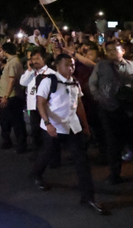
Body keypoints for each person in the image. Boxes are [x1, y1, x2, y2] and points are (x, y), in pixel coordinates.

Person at [32, 54, 109, 215]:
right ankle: (37, 174)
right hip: (54, 127)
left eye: (73, 65)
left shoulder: (74, 82)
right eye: (67, 65)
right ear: (57, 65)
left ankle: (88, 197)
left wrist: (85, 126)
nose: (71, 68)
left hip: (72, 127)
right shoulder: (49, 81)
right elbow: (40, 103)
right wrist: (47, 123)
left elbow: (79, 105)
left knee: (82, 162)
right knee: (47, 154)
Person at [89, 39, 133, 185]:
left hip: (132, 111)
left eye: (115, 49)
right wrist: (101, 99)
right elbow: (92, 85)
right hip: (110, 111)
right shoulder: (101, 66)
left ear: (123, 51)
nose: (112, 52)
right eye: (109, 50)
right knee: (113, 144)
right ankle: (115, 174)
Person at [19, 47, 55, 151]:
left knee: (47, 132)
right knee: (35, 131)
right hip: (33, 106)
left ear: (44, 59)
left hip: (46, 107)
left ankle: (50, 154)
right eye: (33, 59)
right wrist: (29, 70)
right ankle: (37, 153)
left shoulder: (50, 73)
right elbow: (22, 82)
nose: (35, 61)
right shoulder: (31, 73)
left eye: (37, 58)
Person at [0, 42, 27, 153]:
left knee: (16, 121)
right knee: (5, 120)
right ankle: (7, 141)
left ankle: (21, 144)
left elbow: (12, 80)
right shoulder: (12, 62)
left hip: (12, 96)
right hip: (9, 95)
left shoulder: (13, 63)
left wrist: (6, 96)